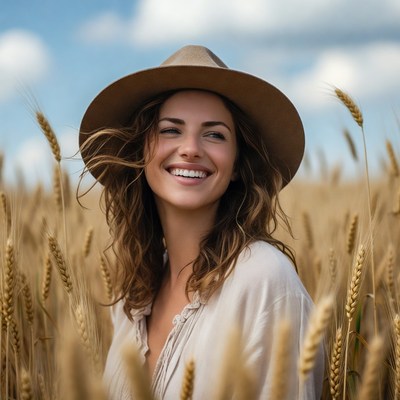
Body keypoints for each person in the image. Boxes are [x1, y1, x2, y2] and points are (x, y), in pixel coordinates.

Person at [79, 45, 323, 399]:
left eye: (214, 134)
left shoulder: (265, 280)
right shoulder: (132, 298)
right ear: (140, 152)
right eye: (170, 130)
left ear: (238, 163)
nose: (191, 148)